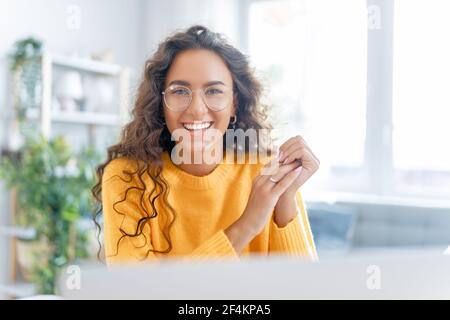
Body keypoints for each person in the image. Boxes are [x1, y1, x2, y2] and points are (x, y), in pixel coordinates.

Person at [91, 25, 320, 265]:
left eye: (213, 91)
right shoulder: (128, 179)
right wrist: (247, 225)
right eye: (180, 91)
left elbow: (304, 291)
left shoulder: (266, 170)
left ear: (234, 103)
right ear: (161, 103)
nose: (197, 109)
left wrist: (285, 199)